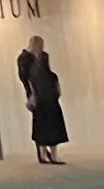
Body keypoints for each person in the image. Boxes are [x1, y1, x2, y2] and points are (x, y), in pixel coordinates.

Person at [17, 34, 67, 165]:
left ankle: (52, 154)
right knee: (42, 125)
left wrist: (55, 86)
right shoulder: (25, 59)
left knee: (53, 123)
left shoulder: (43, 56)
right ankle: (44, 154)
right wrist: (30, 95)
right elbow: (26, 79)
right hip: (38, 95)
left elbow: (47, 73)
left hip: (48, 94)